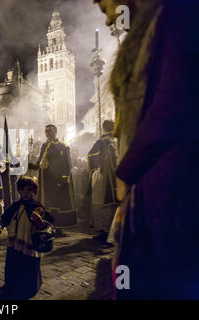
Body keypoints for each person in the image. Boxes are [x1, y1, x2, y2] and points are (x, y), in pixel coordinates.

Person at [95, 0, 199, 298]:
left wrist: (127, 170)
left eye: (105, 8)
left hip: (174, 192)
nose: (107, 20)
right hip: (149, 190)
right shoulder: (151, 27)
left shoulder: (177, 14)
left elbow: (172, 105)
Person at [0, 176, 54, 299]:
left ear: (34, 192)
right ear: (19, 191)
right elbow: (7, 218)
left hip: (29, 243)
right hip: (14, 243)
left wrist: (40, 221)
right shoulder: (15, 205)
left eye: (29, 190)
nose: (26, 193)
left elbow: (46, 224)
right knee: (12, 265)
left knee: (29, 266)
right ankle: (11, 286)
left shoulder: (37, 207)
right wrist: (0, 222)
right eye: (23, 190)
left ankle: (29, 288)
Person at [29, 125, 77, 229]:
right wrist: (32, 165)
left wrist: (64, 178)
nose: (47, 133)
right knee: (46, 203)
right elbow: (40, 161)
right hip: (45, 180)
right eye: (46, 131)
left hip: (56, 180)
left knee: (56, 203)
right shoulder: (44, 145)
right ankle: (45, 224)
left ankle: (58, 226)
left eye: (50, 131)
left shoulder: (62, 146)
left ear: (55, 132)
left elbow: (67, 164)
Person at [86, 120, 118, 245]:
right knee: (114, 205)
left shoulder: (102, 141)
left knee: (102, 204)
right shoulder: (118, 140)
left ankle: (104, 232)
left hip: (104, 176)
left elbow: (91, 156)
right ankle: (114, 232)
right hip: (118, 177)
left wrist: (95, 168)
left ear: (103, 128)